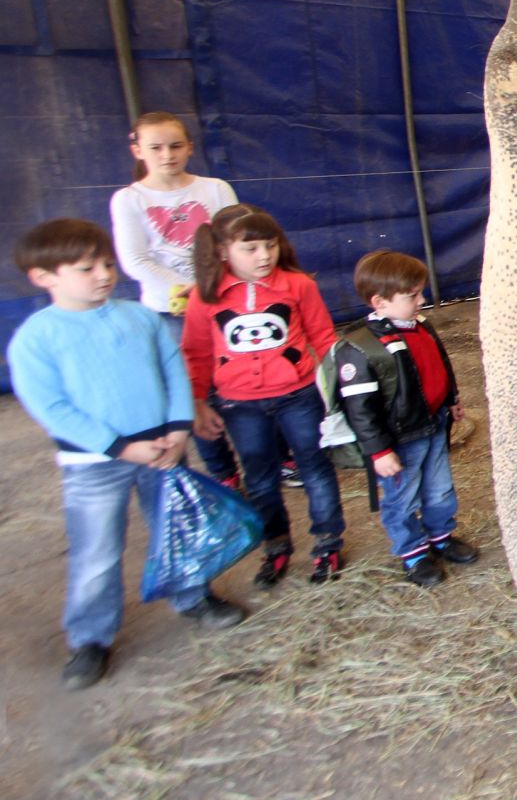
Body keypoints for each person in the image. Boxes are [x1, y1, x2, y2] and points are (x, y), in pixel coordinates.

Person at [8, 219, 246, 690]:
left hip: (164, 449)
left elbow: (173, 369)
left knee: (176, 529)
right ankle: (90, 638)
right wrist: (119, 446)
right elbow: (52, 407)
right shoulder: (36, 338)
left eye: (107, 264)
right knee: (97, 550)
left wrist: (179, 430)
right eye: (85, 268)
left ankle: (193, 596)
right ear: (44, 276)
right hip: (94, 463)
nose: (103, 275)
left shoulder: (140, 318)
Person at [182, 205, 345, 587]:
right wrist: (198, 402)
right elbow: (197, 352)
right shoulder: (204, 297)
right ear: (223, 252)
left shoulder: (298, 285)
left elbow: (322, 336)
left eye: (270, 246)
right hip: (239, 405)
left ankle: (327, 542)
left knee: (315, 468)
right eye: (250, 248)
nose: (264, 256)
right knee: (259, 477)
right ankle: (275, 546)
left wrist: (342, 387)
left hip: (299, 395)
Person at [107, 111, 245, 486]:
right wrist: (184, 288)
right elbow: (135, 258)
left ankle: (273, 456)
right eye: (155, 147)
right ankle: (224, 472)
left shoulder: (215, 189)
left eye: (175, 146)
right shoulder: (129, 199)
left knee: (245, 378)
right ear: (137, 150)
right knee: (193, 392)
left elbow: (232, 241)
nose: (167, 154)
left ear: (189, 148)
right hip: (171, 311)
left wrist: (209, 285)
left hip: (221, 300)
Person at [327, 250, 479, 587]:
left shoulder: (420, 326)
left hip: (434, 425)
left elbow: (441, 365)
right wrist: (379, 451)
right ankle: (413, 552)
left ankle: (441, 536)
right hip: (399, 440)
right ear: (379, 301)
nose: (421, 300)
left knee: (439, 489)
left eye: (420, 292)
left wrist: (452, 400)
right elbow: (360, 410)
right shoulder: (361, 348)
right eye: (412, 295)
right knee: (402, 497)